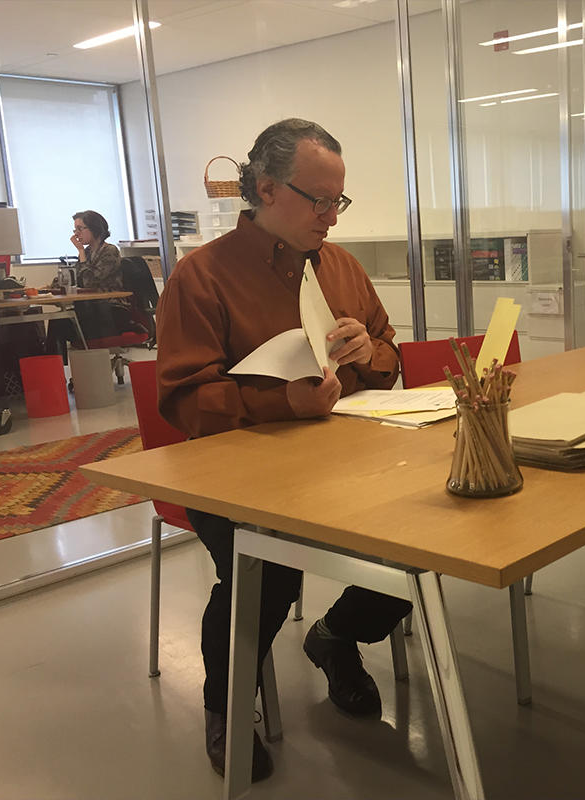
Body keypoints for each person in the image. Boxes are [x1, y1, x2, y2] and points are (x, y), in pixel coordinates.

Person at [155, 118, 413, 782]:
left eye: (339, 201)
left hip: (344, 459)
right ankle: (225, 708)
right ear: (266, 189)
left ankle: (336, 637)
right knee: (264, 570)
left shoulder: (342, 267)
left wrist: (372, 350)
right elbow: (185, 401)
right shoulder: (202, 276)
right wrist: (282, 403)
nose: (332, 216)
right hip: (236, 476)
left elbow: (389, 358)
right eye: (318, 200)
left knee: (430, 537)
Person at [45, 210, 137, 360]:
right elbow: (74, 276)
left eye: (80, 229)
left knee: (65, 320)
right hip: (92, 309)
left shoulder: (110, 251)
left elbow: (89, 281)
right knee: (58, 320)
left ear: (94, 228)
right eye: (75, 230)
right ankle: (54, 369)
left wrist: (80, 252)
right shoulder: (88, 252)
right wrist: (55, 284)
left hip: (112, 309)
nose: (76, 234)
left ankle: (92, 362)